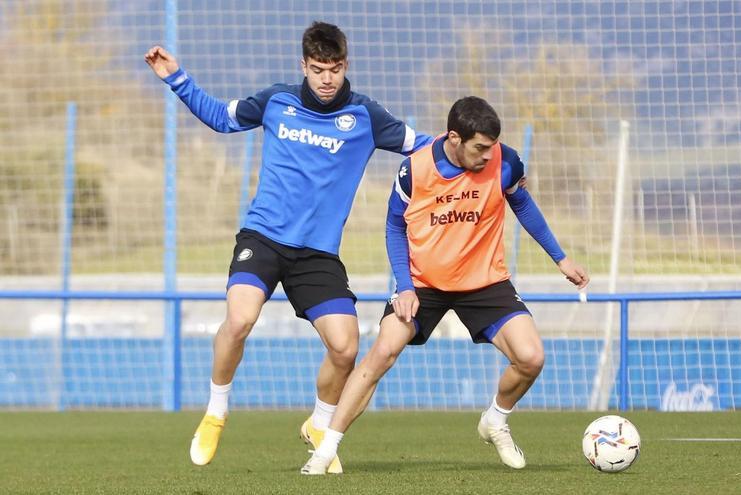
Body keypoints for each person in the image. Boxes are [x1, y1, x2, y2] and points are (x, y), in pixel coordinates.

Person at [144, 21, 432, 472]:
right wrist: (177, 78)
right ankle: (216, 411)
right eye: (318, 68)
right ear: (304, 64)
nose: (326, 78)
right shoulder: (276, 101)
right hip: (263, 238)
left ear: (345, 65)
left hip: (316, 255)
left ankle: (319, 424)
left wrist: (489, 156)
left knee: (345, 346)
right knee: (239, 320)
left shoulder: (366, 117)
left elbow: (427, 147)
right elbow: (222, 118)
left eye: (334, 69)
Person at [301, 96, 589, 474]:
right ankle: (325, 448)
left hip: (485, 280)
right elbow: (394, 226)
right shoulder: (413, 171)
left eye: (492, 147)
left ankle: (495, 420)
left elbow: (522, 204)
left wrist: (561, 258)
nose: (488, 156)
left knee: (531, 357)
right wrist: (404, 285)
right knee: (382, 353)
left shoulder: (506, 161)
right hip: (422, 283)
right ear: (454, 137)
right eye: (480, 148)